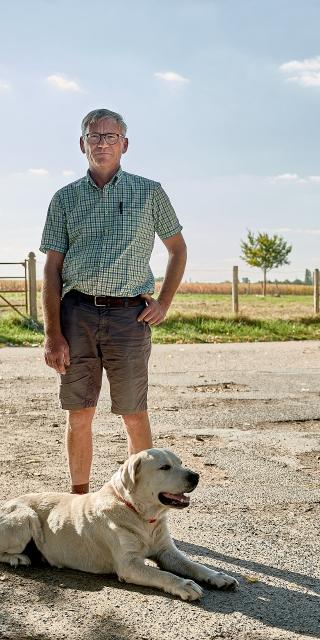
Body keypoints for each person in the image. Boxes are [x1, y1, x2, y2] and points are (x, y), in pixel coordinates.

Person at [40, 108, 187, 494]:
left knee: (134, 413)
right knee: (80, 413)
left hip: (129, 318)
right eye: (94, 136)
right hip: (77, 315)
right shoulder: (64, 198)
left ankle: (144, 500)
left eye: (110, 136)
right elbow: (52, 269)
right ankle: (79, 500)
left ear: (124, 143)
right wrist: (52, 334)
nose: (101, 143)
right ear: (82, 143)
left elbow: (177, 249)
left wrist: (164, 302)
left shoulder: (150, 192)